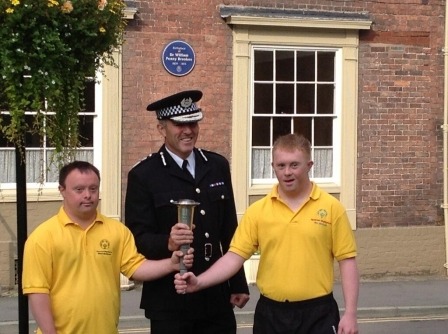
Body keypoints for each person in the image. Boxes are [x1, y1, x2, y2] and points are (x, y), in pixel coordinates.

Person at [174, 133, 360, 334]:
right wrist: (199, 282)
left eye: (294, 165)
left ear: (309, 165)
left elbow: (347, 261)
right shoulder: (258, 211)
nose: (287, 172)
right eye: (281, 166)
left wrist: (350, 314)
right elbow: (233, 258)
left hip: (318, 314)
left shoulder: (332, 208)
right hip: (271, 315)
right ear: (273, 167)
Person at [125, 89, 250, 334]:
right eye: (179, 124)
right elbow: (137, 239)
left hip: (215, 294)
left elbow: (231, 233)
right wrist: (168, 243)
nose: (188, 130)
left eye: (193, 122)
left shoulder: (216, 165)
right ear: (162, 128)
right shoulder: (144, 174)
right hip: (169, 298)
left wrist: (238, 283)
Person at [22, 160, 194, 334]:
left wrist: (171, 264)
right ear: (62, 191)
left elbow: (135, 268)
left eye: (93, 188)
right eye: (79, 189)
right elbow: (37, 293)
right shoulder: (42, 237)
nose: (88, 195)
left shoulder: (117, 230)